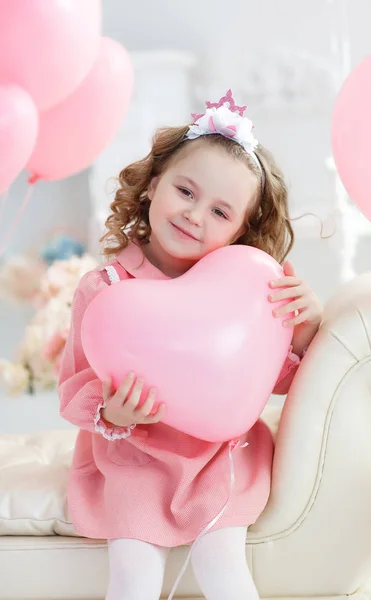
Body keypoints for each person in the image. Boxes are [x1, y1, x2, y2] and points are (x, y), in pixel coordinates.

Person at [58, 90, 323, 600]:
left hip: (219, 457)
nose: (194, 215)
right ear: (154, 185)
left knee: (223, 568)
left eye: (221, 211)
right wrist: (112, 412)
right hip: (137, 459)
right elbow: (74, 385)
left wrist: (305, 325)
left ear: (241, 229)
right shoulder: (106, 288)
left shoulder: (248, 289)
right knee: (133, 576)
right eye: (185, 191)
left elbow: (276, 379)